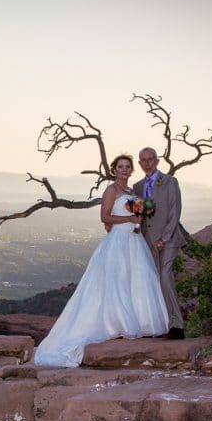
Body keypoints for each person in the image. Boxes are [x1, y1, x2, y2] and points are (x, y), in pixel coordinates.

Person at [34, 154, 168, 367]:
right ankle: (116, 324)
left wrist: (139, 218)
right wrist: (129, 219)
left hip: (134, 242)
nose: (124, 170)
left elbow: (140, 216)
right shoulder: (111, 190)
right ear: (115, 170)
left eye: (127, 167)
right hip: (117, 243)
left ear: (132, 170)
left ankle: (136, 323)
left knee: (136, 281)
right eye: (120, 166)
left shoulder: (132, 192)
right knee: (115, 284)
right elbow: (104, 218)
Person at [133, 147, 187, 339]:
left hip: (169, 239)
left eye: (150, 159)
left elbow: (175, 211)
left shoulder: (170, 182)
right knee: (153, 281)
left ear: (157, 161)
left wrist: (164, 238)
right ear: (139, 163)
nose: (147, 163)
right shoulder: (137, 187)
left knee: (165, 277)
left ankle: (177, 326)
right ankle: (161, 325)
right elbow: (139, 215)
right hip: (148, 241)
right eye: (143, 160)